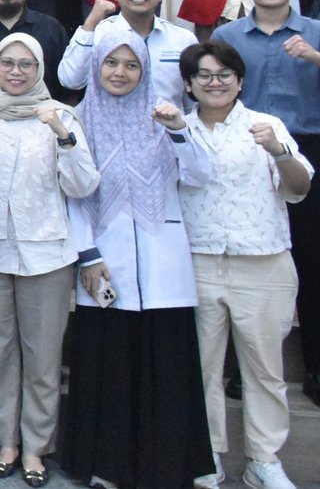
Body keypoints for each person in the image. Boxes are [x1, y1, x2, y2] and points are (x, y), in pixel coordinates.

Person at [61, 29, 215, 489]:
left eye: (132, 65)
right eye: (111, 63)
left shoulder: (164, 116)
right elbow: (72, 195)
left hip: (163, 266)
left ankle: (166, 467)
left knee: (165, 371)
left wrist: (179, 130)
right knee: (108, 371)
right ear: (96, 67)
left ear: (145, 71)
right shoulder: (77, 121)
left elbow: (200, 175)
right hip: (105, 264)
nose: (120, 73)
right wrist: (88, 255)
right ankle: (106, 466)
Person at [0, 34, 98, 485]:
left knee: (43, 357)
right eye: (7, 63)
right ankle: (6, 443)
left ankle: (35, 448)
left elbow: (84, 186)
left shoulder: (61, 115)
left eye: (26, 64)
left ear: (40, 69)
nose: (16, 72)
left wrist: (62, 136)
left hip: (47, 253)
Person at [175, 40, 312, 489]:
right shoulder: (178, 129)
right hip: (197, 260)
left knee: (265, 369)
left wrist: (279, 151)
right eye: (204, 75)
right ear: (189, 85)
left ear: (239, 81)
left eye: (224, 75)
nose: (214, 82)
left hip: (263, 261)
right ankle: (207, 455)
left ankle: (263, 460)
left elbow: (300, 188)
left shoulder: (266, 125)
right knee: (201, 367)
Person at [212, 0, 320, 408]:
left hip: (307, 150)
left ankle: (315, 370)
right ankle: (238, 371)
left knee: (313, 263)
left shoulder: (316, 33)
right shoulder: (227, 36)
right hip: (245, 154)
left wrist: (315, 58)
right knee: (245, 263)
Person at [60, 0, 197, 107]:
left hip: (169, 122)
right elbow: (71, 80)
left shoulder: (183, 39)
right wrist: (90, 25)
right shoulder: (99, 33)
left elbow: (193, 100)